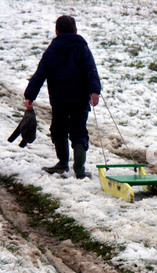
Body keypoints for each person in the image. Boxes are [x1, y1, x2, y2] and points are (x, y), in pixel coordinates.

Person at [24, 15, 101, 179]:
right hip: (80, 99)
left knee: (59, 130)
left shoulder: (52, 50)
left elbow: (40, 74)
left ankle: (62, 163)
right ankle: (79, 169)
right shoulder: (82, 48)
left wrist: (30, 95)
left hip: (59, 100)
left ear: (56, 31)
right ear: (75, 30)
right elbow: (91, 71)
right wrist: (94, 91)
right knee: (79, 131)